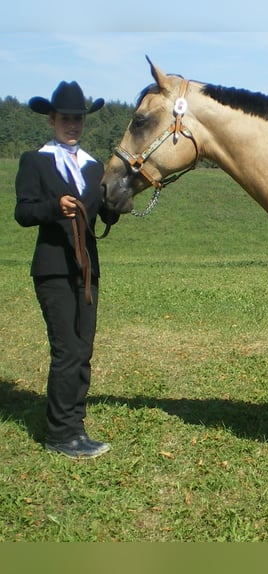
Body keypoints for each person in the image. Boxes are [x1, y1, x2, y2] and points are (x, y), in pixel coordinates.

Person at [15, 80, 120, 459]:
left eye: (78, 118)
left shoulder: (94, 167)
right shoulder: (35, 161)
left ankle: (76, 427)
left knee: (84, 349)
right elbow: (23, 212)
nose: (72, 124)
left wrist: (120, 200)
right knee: (67, 350)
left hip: (86, 270)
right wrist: (53, 206)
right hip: (53, 269)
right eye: (65, 119)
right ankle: (61, 434)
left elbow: (104, 214)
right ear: (52, 119)